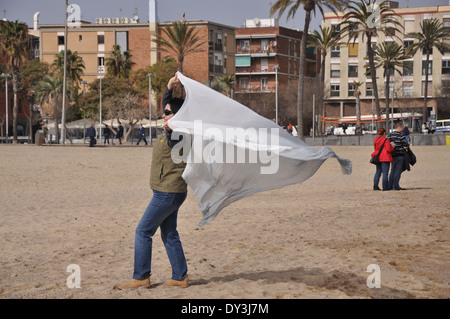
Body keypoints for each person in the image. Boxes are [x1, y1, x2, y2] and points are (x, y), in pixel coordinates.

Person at [119, 74, 188, 290]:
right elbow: (170, 109)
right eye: (165, 112)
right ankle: (180, 277)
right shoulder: (175, 129)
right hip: (170, 190)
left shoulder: (177, 132)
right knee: (169, 233)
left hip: (167, 192)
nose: (164, 115)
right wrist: (169, 88)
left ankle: (141, 277)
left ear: (178, 116)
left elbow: (175, 121)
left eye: (167, 113)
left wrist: (172, 98)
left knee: (143, 231)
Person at [387, 122, 409, 190]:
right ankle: (395, 186)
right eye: (402, 127)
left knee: (392, 171)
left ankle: (390, 185)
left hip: (392, 155)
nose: (402, 129)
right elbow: (406, 145)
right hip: (400, 155)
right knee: (398, 171)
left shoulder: (390, 135)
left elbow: (387, 144)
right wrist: (404, 147)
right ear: (399, 127)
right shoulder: (401, 135)